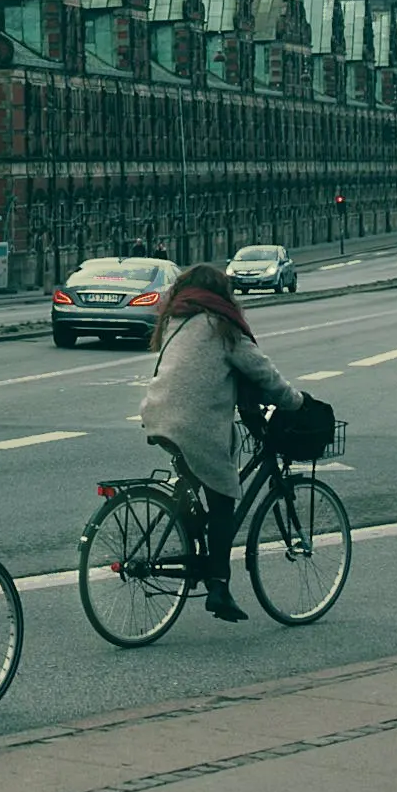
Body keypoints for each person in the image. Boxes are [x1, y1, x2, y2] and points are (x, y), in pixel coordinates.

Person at [138, 263, 309, 623]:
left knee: (193, 486)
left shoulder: (176, 320)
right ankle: (218, 585)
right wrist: (297, 402)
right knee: (223, 498)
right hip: (195, 424)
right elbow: (263, 372)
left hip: (158, 415)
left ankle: (192, 547)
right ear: (221, 294)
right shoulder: (221, 324)